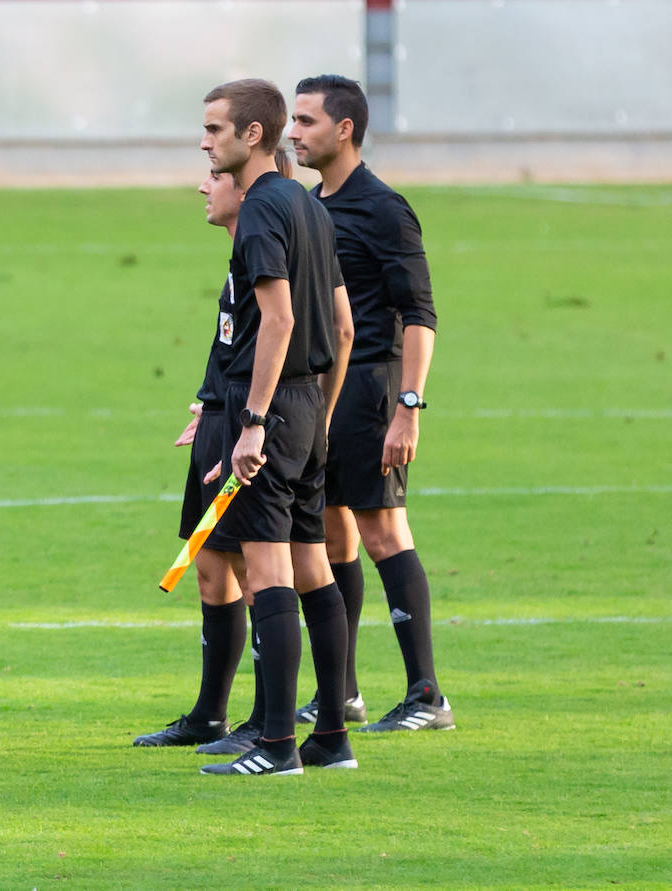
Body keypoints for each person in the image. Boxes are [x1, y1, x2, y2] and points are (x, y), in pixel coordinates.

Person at [193, 80, 355, 776]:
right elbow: (342, 325)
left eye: (214, 130)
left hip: (272, 409)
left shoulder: (261, 209)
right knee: (313, 567)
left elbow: (281, 320)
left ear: (252, 134)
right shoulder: (306, 203)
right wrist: (311, 413)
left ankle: (278, 745)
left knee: (266, 569)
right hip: (308, 407)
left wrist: (254, 422)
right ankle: (331, 737)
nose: (205, 142)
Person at [287, 74, 452, 732]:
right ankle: (344, 691)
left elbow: (420, 313)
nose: (294, 133)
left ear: (344, 129)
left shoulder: (384, 208)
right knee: (332, 532)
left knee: (383, 530)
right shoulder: (307, 202)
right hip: (322, 389)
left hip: (373, 387)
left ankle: (428, 694)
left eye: (306, 122)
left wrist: (408, 405)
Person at [132, 146, 296, 750]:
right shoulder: (240, 251)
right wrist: (207, 402)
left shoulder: (266, 239)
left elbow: (289, 331)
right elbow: (232, 337)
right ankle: (210, 714)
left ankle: (267, 722)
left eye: (213, 176)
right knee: (209, 564)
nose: (204, 187)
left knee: (262, 572)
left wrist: (249, 418)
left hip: (251, 425)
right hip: (220, 419)